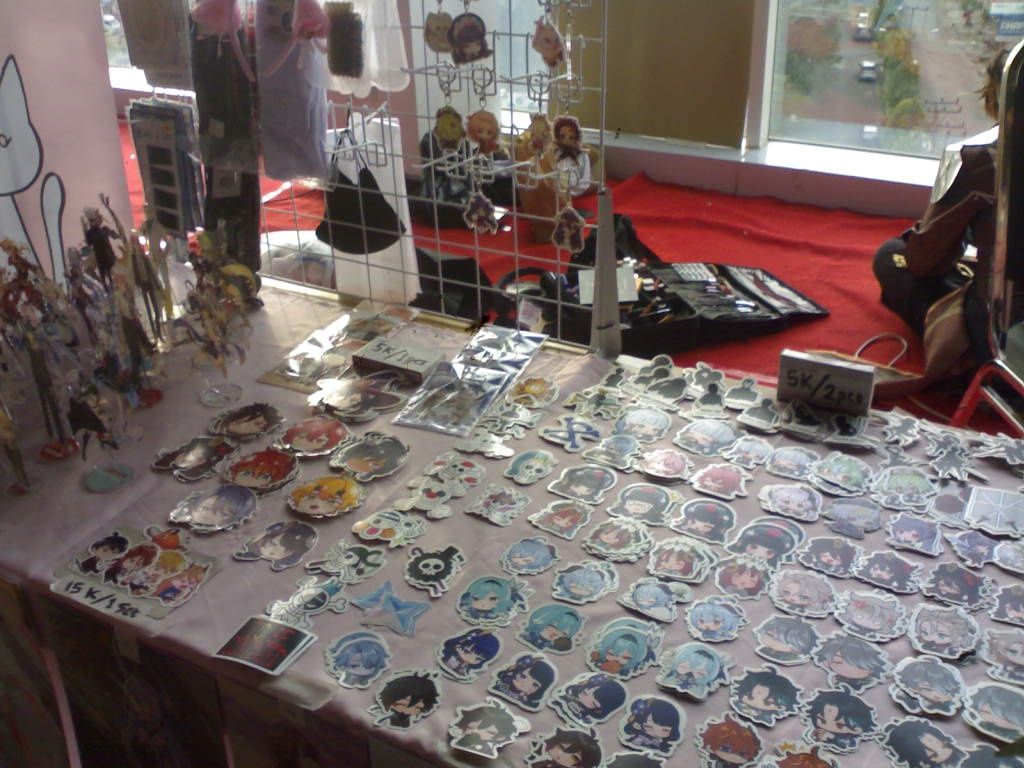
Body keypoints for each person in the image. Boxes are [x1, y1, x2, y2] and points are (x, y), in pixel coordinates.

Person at [872, 49, 1008, 368]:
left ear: (995, 96)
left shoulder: (979, 159)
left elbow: (924, 262)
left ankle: (961, 357)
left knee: (891, 256)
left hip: (997, 338)